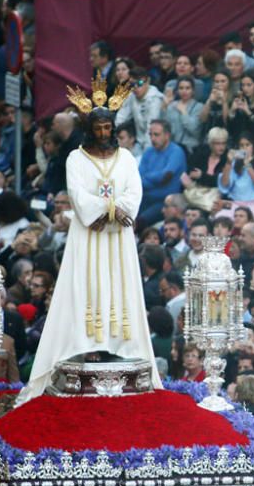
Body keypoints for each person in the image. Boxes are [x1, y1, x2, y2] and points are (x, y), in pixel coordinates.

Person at [19, 88, 162, 403]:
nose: (103, 132)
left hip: (117, 234)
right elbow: (78, 194)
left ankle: (120, 343)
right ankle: (87, 342)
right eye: (97, 128)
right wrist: (102, 211)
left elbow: (133, 191)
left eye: (107, 127)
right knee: (88, 283)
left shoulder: (125, 157)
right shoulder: (75, 158)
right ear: (89, 129)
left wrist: (113, 212)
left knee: (119, 282)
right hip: (88, 233)